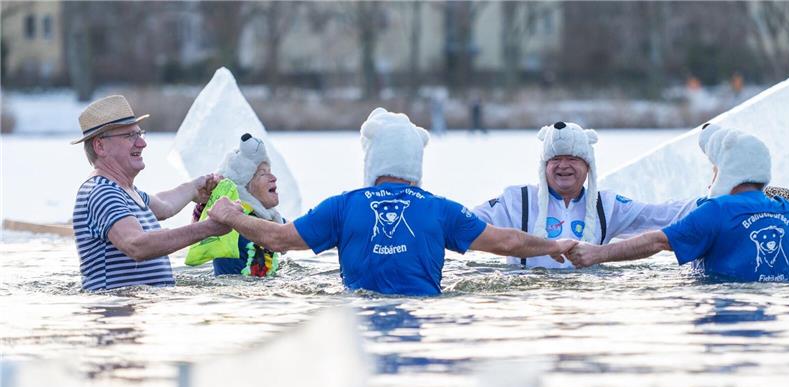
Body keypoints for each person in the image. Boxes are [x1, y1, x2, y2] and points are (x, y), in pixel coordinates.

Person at [207, 108, 575, 296]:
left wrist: (229, 215)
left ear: (372, 158)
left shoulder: (343, 206)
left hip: (359, 310)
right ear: (416, 159)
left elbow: (279, 239)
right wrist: (553, 244)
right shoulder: (439, 209)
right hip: (425, 310)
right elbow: (507, 241)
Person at [565, 124, 789, 282]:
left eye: (714, 169)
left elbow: (656, 242)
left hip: (725, 301)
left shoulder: (716, 211)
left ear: (727, 172)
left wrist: (598, 254)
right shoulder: (788, 211)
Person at [472, 121, 697, 269]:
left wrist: (712, 202)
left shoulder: (606, 205)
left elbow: (660, 215)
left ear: (588, 166)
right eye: (555, 159)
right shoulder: (517, 200)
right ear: (544, 166)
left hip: (587, 299)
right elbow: (466, 224)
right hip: (531, 301)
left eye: (572, 159)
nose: (563, 166)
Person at [70, 95, 225, 291]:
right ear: (100, 146)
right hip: (114, 315)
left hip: (133, 313)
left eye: (140, 133)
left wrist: (195, 188)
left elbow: (163, 205)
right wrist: (209, 228)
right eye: (129, 136)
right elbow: (137, 245)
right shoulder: (102, 192)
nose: (142, 143)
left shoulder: (125, 191)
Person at [186, 133, 285, 277]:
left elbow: (296, 233)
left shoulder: (272, 220)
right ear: (245, 187)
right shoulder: (230, 219)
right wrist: (204, 206)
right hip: (233, 293)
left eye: (270, 172)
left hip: (264, 293)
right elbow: (198, 233)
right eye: (263, 174)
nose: (274, 178)